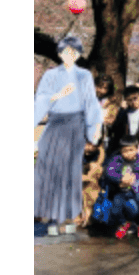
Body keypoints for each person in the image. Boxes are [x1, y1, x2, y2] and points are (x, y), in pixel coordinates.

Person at [33, 35, 101, 236]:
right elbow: (41, 101)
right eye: (65, 51)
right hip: (55, 126)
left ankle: (71, 217)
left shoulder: (84, 76)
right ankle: (53, 218)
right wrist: (59, 95)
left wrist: (93, 132)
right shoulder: (51, 75)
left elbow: (91, 103)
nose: (69, 55)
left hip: (76, 128)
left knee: (72, 176)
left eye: (73, 52)